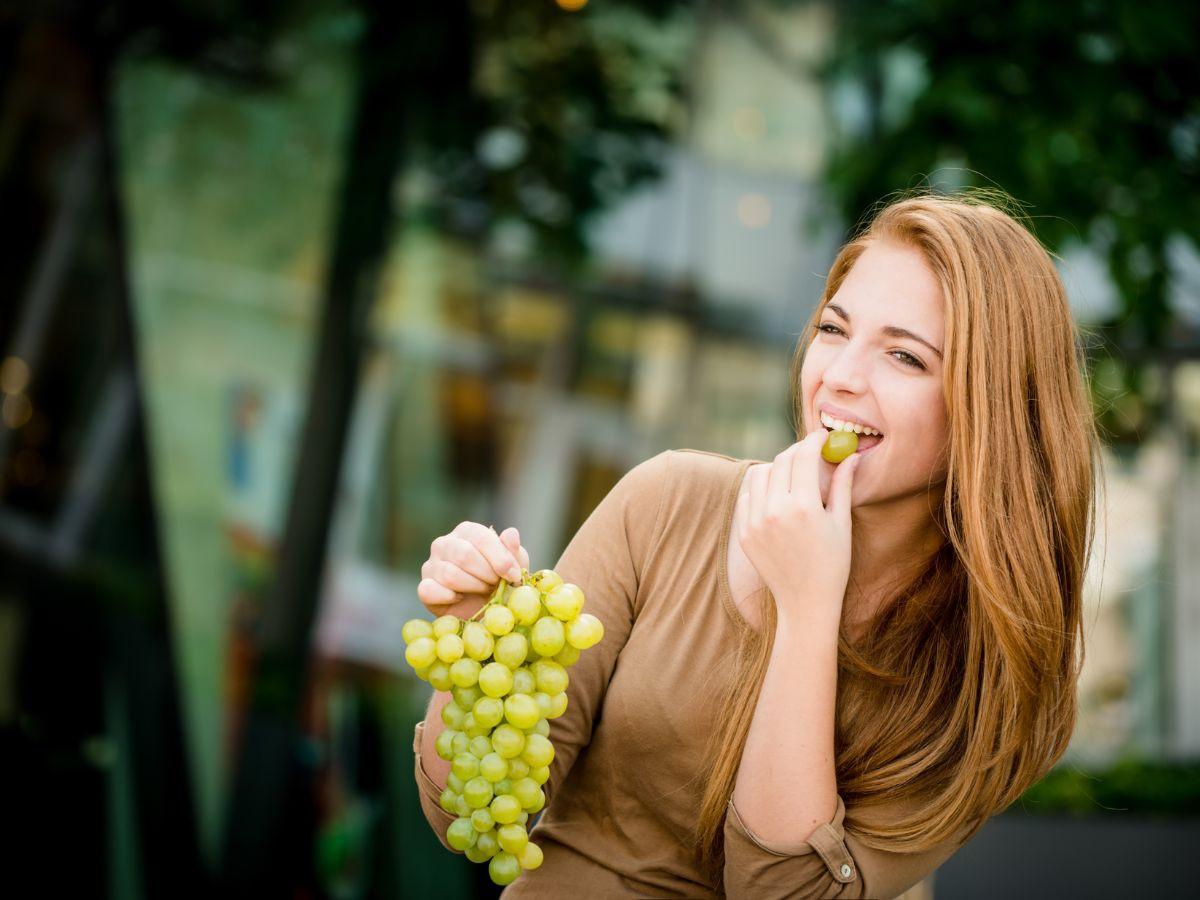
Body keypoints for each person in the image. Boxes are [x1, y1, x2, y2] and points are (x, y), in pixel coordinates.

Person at [412, 189, 1102, 898]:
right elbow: (470, 813)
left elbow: (783, 892)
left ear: (987, 411)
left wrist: (807, 607)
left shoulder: (990, 671)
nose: (839, 377)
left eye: (904, 355)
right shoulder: (668, 503)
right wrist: (474, 640)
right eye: (834, 330)